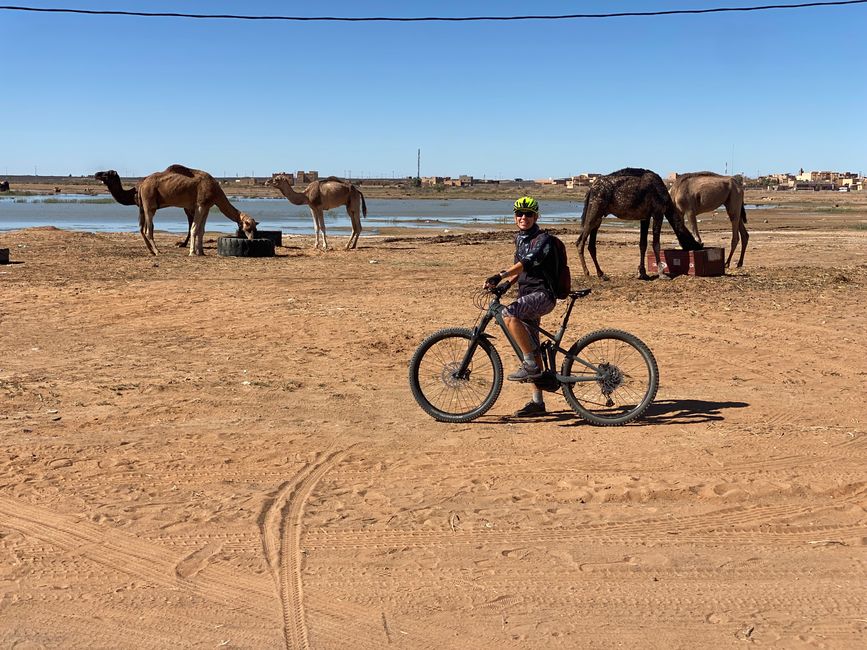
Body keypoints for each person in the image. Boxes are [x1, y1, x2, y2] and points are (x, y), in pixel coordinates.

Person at [484, 196, 558, 417]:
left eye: (528, 214)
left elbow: (527, 262)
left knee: (509, 313)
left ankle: (529, 365)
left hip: (543, 296)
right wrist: (505, 285)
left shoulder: (543, 239)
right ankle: (538, 403)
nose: (523, 217)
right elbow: (520, 271)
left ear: (536, 216)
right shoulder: (520, 239)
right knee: (532, 348)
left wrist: (499, 275)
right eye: (519, 214)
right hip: (528, 295)